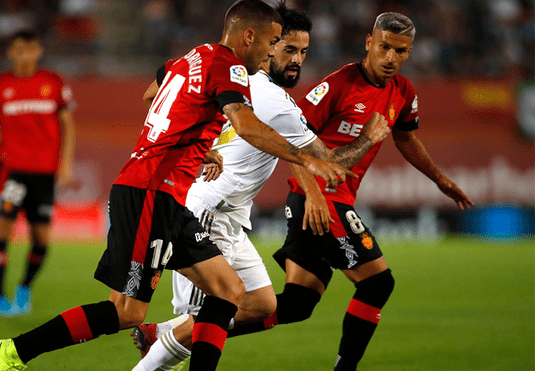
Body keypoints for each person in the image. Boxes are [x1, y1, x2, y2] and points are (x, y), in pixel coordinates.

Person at [0, 1, 356, 370]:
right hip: (149, 194)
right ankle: (14, 351)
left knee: (228, 292)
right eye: (273, 41)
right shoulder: (230, 66)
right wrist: (307, 159)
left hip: (168, 197)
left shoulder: (196, 56)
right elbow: (246, 125)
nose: (272, 51)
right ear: (249, 35)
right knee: (126, 311)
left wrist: (194, 144)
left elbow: (153, 96)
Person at [128, 4, 391, 371]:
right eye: (286, 49)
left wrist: (200, 143)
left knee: (263, 305)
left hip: (231, 218)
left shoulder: (225, 73)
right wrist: (368, 139)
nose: (296, 60)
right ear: (267, 46)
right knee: (207, 318)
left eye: (304, 52)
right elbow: (327, 161)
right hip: (205, 210)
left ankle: (162, 337)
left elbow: (153, 96)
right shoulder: (275, 101)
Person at [217, 12, 475, 371]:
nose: (390, 58)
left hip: (332, 200)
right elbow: (294, 141)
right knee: (378, 284)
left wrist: (440, 180)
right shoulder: (338, 85)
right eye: (385, 47)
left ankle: (176, 334)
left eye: (400, 51)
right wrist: (317, 195)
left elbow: (406, 137)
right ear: (369, 42)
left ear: (409, 52)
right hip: (319, 201)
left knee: (295, 306)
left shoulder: (402, 92)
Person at [0, 30, 77, 316]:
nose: (25, 55)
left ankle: (25, 286)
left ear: (38, 51)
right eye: (19, 50)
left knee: (41, 239)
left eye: (30, 49)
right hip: (12, 172)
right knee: (1, 229)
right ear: (11, 53)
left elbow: (67, 125)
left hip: (44, 173)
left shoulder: (52, 83)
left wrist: (65, 164)